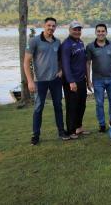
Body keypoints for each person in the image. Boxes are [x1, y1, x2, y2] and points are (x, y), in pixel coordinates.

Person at [24, 17, 69, 145]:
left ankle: (61, 131)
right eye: (49, 25)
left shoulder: (57, 42)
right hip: (40, 81)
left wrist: (61, 70)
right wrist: (30, 81)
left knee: (58, 106)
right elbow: (26, 62)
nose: (51, 28)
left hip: (55, 80)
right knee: (38, 107)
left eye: (53, 26)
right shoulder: (34, 41)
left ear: (55, 27)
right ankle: (35, 135)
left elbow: (60, 59)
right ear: (44, 26)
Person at [86, 23, 111, 132]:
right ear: (95, 32)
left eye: (103, 31)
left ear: (106, 32)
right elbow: (88, 63)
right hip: (97, 80)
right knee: (99, 103)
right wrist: (88, 80)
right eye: (98, 31)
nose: (101, 33)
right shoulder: (90, 47)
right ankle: (102, 124)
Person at [61, 21, 89, 139]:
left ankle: (79, 127)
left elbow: (83, 62)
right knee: (72, 106)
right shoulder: (66, 45)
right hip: (71, 81)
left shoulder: (80, 42)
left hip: (81, 79)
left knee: (82, 105)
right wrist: (71, 81)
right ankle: (71, 130)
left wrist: (87, 78)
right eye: (75, 29)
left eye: (79, 29)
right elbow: (65, 65)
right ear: (70, 30)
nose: (77, 31)